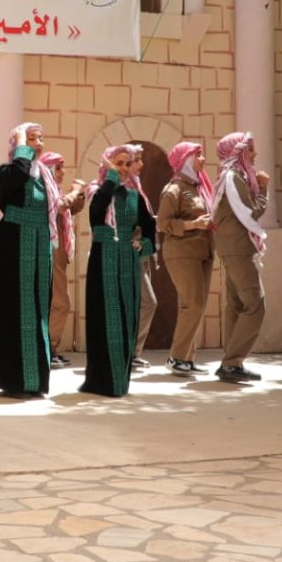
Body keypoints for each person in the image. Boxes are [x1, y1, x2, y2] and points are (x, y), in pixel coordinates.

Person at [0, 122, 60, 397]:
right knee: (16, 309)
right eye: (31, 138)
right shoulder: (7, 171)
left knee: (39, 309)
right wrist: (22, 147)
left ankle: (36, 381)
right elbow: (19, 175)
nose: (38, 144)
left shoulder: (46, 176)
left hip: (40, 246)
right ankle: (14, 381)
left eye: (40, 138)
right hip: (14, 246)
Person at [81, 145, 155, 396]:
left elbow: (149, 226)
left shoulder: (135, 195)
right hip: (103, 260)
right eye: (118, 164)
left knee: (126, 318)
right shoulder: (97, 190)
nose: (124, 169)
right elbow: (96, 213)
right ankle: (101, 381)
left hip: (127, 262)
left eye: (127, 164)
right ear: (108, 165)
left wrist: (143, 245)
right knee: (104, 318)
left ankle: (119, 381)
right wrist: (111, 178)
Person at [211, 132, 269, 383]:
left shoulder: (232, 176)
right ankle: (231, 363)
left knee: (236, 304)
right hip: (238, 248)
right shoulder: (233, 177)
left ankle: (232, 363)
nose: (254, 154)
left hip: (234, 247)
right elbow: (250, 212)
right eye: (250, 149)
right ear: (238, 152)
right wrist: (263, 188)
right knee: (255, 304)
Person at [155, 141, 214, 376]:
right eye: (197, 155)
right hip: (182, 253)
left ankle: (187, 359)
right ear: (186, 160)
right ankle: (177, 357)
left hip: (202, 252)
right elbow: (163, 223)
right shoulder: (174, 189)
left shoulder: (199, 187)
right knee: (193, 305)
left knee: (194, 306)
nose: (203, 159)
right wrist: (194, 224)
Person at [41, 151, 88, 368]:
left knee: (56, 302)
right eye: (58, 168)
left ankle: (49, 348)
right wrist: (75, 192)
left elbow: (71, 208)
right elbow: (60, 206)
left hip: (57, 256)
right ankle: (48, 349)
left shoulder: (54, 191)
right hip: (49, 254)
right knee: (61, 302)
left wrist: (79, 194)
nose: (62, 172)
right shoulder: (45, 191)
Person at [123, 146, 156, 371]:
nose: (140, 165)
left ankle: (133, 353)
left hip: (142, 252)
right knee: (148, 302)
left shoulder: (136, 187)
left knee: (139, 303)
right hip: (130, 254)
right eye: (137, 160)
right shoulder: (124, 189)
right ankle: (130, 352)